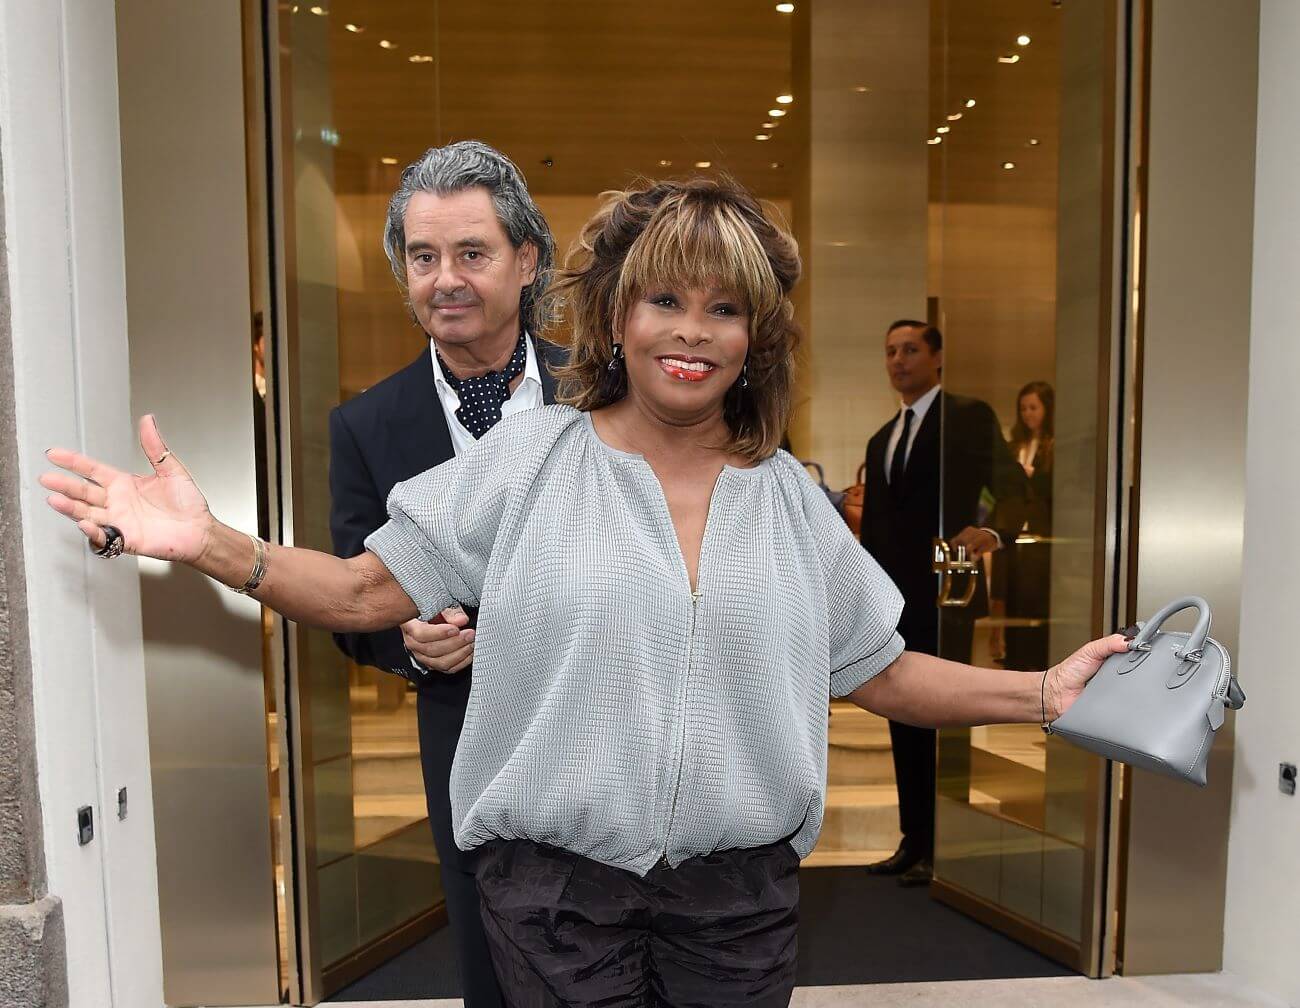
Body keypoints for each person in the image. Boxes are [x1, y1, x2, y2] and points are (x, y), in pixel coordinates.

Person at [41, 176, 1125, 1008]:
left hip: (739, 909)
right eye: (663, 299)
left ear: (755, 340)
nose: (691, 331)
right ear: (614, 318)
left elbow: (882, 671)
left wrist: (1045, 695)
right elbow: (364, 592)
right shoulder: (529, 461)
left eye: (722, 309)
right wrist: (208, 542)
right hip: (556, 901)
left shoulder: (789, 499)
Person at [327, 141, 567, 1008]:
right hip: (464, 743)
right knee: (492, 972)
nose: (445, 279)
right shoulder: (365, 426)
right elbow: (352, 605)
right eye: (423, 258)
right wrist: (412, 647)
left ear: (526, 260)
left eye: (472, 253)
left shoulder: (608, 396)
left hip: (611, 731)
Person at [859, 320, 1029, 887]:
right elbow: (877, 533)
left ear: (936, 358)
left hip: (948, 596)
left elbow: (1013, 489)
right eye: (889, 352)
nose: (897, 360)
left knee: (947, 720)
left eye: (910, 350)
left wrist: (995, 534)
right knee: (905, 719)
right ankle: (915, 840)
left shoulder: (968, 416)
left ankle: (948, 845)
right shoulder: (882, 439)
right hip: (897, 606)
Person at [994, 380, 1055, 672]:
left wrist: (1032, 475)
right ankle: (1013, 658)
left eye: (1033, 407)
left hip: (1043, 526)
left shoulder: (1055, 446)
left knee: (1035, 593)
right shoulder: (1013, 445)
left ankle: (1035, 662)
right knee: (1012, 593)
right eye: (1023, 408)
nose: (1028, 414)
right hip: (1015, 526)